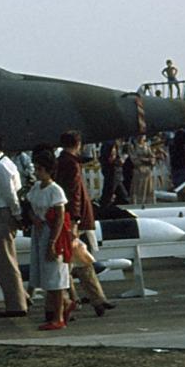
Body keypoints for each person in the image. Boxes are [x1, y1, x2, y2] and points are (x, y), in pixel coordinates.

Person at [56, 131, 114, 318]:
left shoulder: (62, 162)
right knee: (75, 261)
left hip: (65, 217)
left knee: (78, 259)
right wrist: (75, 218)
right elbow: (74, 193)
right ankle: (84, 300)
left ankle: (90, 299)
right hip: (72, 219)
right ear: (78, 143)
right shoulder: (72, 164)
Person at [26, 150, 71, 331]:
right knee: (44, 273)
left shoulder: (55, 190)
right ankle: (63, 306)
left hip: (52, 232)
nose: (36, 172)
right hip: (39, 230)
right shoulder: (36, 188)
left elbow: (60, 218)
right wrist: (34, 218)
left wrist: (52, 242)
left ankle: (58, 316)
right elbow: (29, 207)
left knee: (54, 274)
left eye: (39, 169)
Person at [0, 133, 27, 317]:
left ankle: (17, 305)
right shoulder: (2, 164)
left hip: (2, 213)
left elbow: (10, 194)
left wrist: (17, 215)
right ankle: (21, 296)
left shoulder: (1, 167)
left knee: (6, 260)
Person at [98, 140, 129, 206]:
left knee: (123, 196)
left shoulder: (114, 146)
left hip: (117, 175)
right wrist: (118, 162)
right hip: (113, 175)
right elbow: (109, 160)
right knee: (108, 195)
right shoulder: (109, 146)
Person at [130, 137, 157, 205]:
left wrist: (151, 160)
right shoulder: (133, 146)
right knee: (138, 190)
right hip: (139, 172)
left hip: (148, 172)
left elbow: (152, 157)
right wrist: (145, 160)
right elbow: (134, 160)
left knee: (149, 190)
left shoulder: (147, 145)